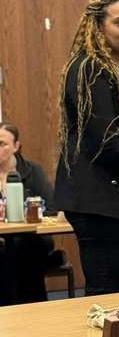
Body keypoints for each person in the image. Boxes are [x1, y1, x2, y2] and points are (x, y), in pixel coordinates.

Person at [55, 0, 119, 297]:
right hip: (97, 201)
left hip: (116, 199)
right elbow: (106, 142)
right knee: (109, 292)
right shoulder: (90, 68)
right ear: (97, 27)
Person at [0, 122, 56, 305]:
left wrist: (30, 211)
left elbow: (52, 206)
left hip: (32, 236)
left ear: (16, 146)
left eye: (2, 144)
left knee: (25, 247)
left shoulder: (33, 171)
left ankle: (33, 307)